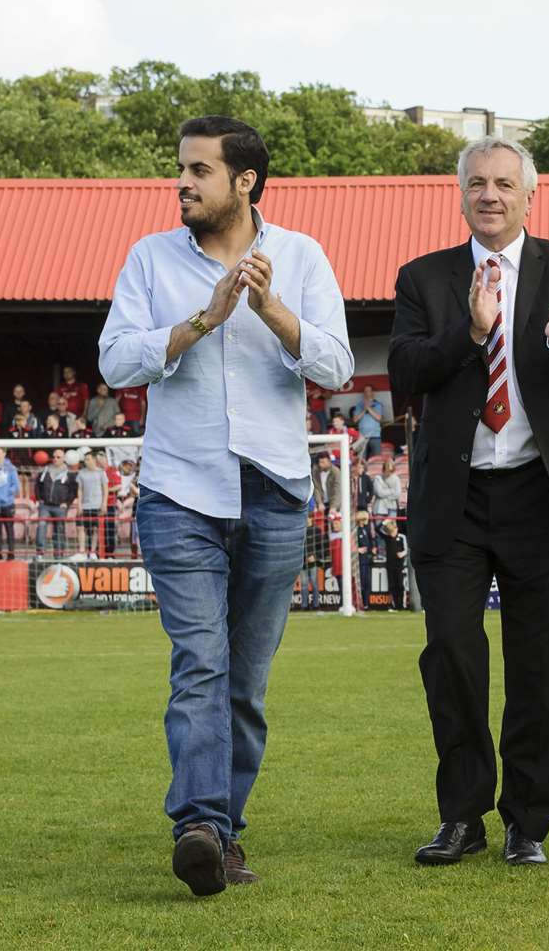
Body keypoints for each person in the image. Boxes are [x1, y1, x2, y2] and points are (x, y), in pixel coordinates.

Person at [98, 115, 354, 896]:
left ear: (244, 181)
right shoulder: (149, 258)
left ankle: (223, 835)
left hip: (275, 491)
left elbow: (338, 366)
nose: (182, 183)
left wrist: (271, 309)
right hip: (179, 492)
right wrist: (200, 320)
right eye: (181, 169)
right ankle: (200, 826)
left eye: (199, 171)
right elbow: (113, 363)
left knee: (246, 681)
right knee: (201, 665)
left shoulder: (303, 256)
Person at [388, 136, 549, 868]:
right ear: (460, 194)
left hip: (539, 495)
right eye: (477, 184)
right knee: (453, 655)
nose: (490, 195)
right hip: (452, 499)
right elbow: (405, 370)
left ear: (529, 196)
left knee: (543, 670)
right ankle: (461, 816)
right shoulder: (423, 277)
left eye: (503, 184)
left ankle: (529, 821)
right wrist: (472, 331)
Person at [33, 449, 76, 558]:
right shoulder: (45, 471)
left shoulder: (69, 473)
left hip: (60, 506)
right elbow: (37, 486)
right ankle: (40, 552)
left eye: (58, 457)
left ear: (64, 459)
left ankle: (58, 553)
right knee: (41, 525)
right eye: (54, 457)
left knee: (59, 528)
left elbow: (73, 490)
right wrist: (39, 499)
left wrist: (67, 502)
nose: (55, 459)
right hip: (45, 505)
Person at [77, 451, 108, 558]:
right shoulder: (81, 473)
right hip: (85, 505)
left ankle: (93, 552)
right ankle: (81, 551)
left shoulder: (101, 472)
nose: (86, 461)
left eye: (88, 459)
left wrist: (104, 503)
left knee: (95, 529)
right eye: (85, 459)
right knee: (81, 528)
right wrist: (79, 504)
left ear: (94, 460)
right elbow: (80, 490)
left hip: (97, 505)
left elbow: (105, 489)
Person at [379, 517, 411, 610]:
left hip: (399, 565)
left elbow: (406, 549)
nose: (392, 534)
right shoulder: (387, 538)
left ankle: (402, 605)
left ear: (396, 529)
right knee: (392, 585)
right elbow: (378, 529)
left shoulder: (402, 537)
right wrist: (384, 522)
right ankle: (394, 605)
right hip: (390, 565)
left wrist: (402, 554)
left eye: (393, 531)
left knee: (400, 585)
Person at [301, 513, 328, 610]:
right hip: (302, 563)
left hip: (314, 563)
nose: (307, 520)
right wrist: (304, 557)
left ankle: (316, 604)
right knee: (304, 585)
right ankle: (304, 605)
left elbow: (321, 547)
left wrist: (315, 556)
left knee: (314, 583)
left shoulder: (317, 531)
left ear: (311, 519)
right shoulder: (300, 531)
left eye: (308, 518)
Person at [352, 385, 385, 463]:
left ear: (372, 393)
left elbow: (379, 418)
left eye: (369, 391)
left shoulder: (378, 404)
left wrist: (369, 408)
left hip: (375, 436)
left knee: (377, 459)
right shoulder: (359, 405)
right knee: (361, 460)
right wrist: (364, 410)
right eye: (365, 391)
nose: (367, 393)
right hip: (362, 436)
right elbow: (355, 420)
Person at [352, 508, 376, 609]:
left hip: (367, 559)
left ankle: (366, 604)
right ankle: (360, 602)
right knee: (361, 581)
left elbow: (371, 541)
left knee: (367, 582)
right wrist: (358, 550)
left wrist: (373, 548)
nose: (365, 521)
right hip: (359, 560)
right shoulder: (355, 530)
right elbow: (351, 544)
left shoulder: (366, 529)